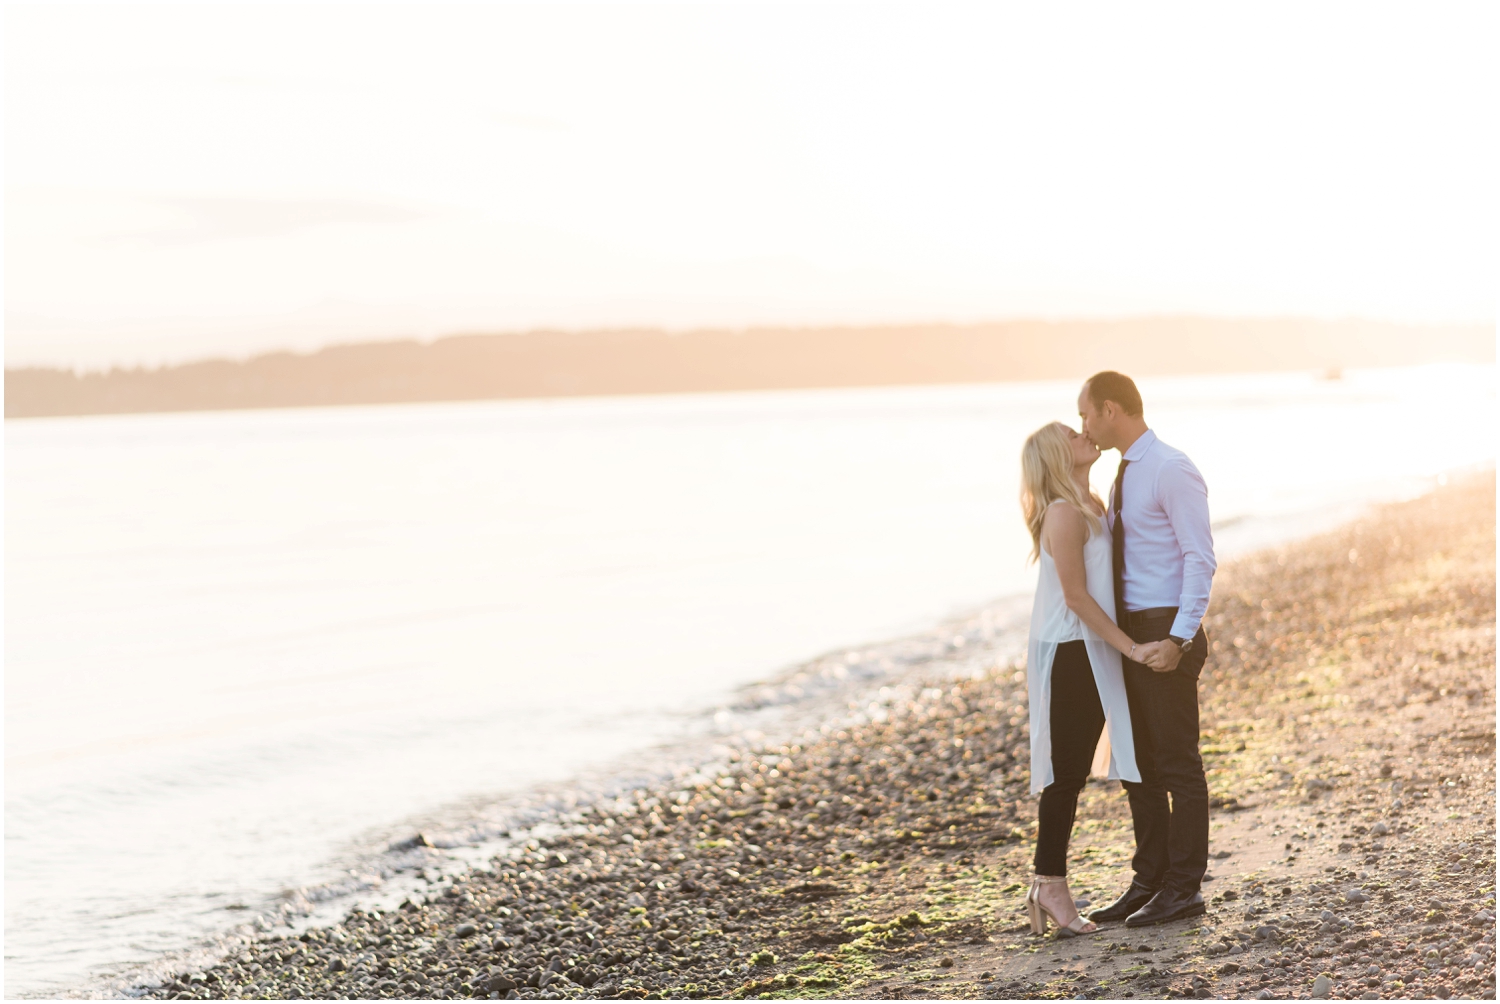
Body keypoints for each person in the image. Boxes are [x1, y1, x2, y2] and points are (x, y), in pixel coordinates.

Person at [1018, 421, 1172, 937]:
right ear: (1058, 456)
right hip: (1072, 652)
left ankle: (1149, 875)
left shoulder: (1093, 504)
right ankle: (1050, 884)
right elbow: (1077, 598)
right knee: (1067, 773)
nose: (1084, 432)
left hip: (1095, 647)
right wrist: (1130, 646)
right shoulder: (1063, 514)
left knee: (1114, 758)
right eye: (1071, 433)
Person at [1078, 371, 1217, 928]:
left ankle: (1184, 888)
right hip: (1130, 631)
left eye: (1086, 413)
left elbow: (1199, 558)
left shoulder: (1170, 468)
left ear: (1111, 409)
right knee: (1137, 764)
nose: (1084, 424)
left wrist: (1179, 639)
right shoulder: (1124, 473)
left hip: (1166, 629)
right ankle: (1149, 880)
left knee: (1177, 763)